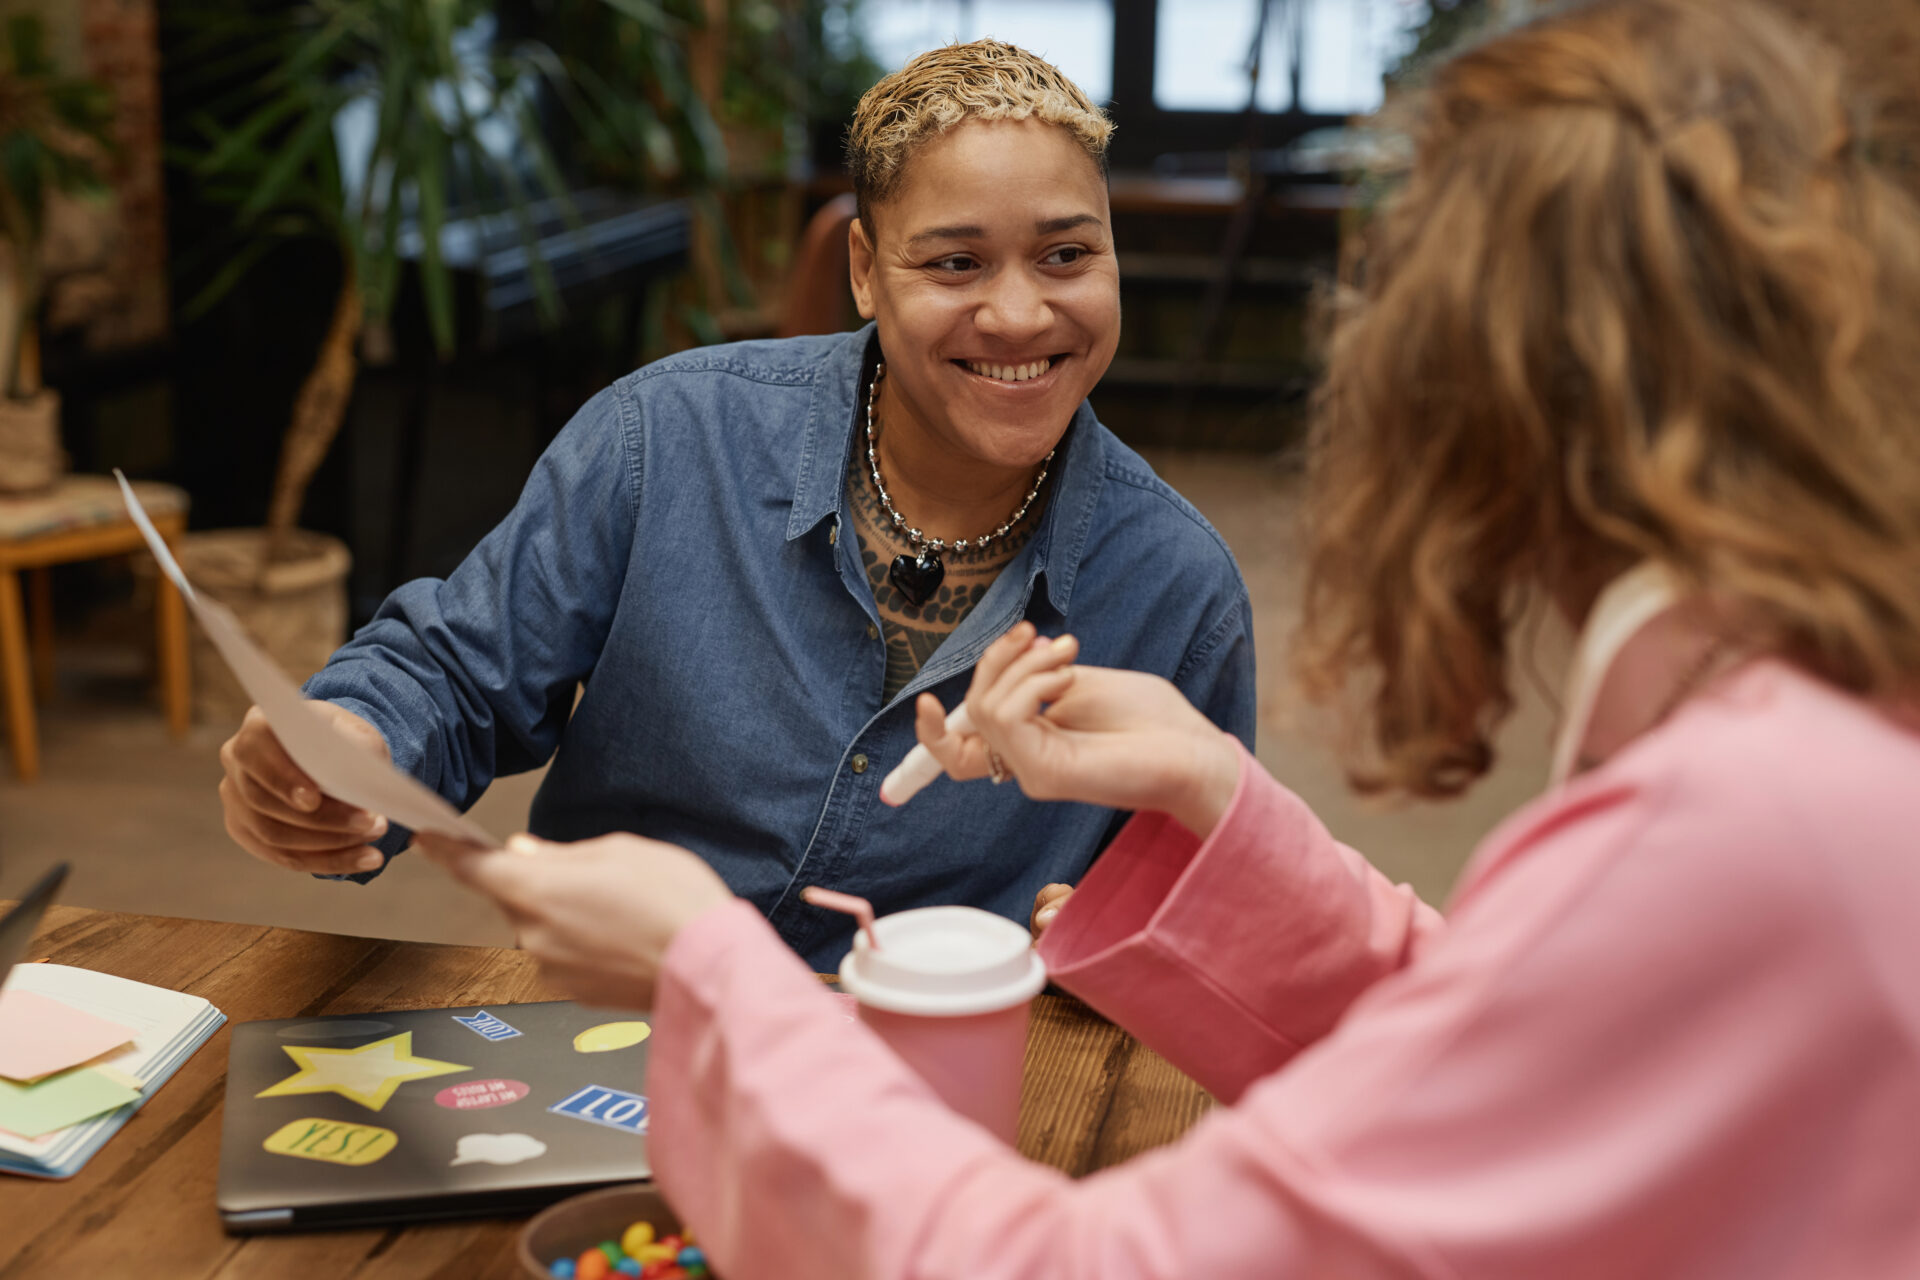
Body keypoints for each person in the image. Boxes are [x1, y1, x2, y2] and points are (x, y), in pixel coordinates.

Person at [421, 0, 1920, 1274]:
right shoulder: (1800, 741)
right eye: (953, 262)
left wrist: (713, 970)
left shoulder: (1742, 826)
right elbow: (1517, 1037)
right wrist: (1217, 796)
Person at [214, 41, 1256, 970]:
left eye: (1068, 254)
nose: (1022, 311)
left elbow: (1201, 905)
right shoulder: (664, 438)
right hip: (613, 1045)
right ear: (863, 270)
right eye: (955, 261)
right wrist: (351, 746)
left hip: (928, 1108)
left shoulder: (1178, 590)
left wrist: (1123, 946)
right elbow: (452, 672)